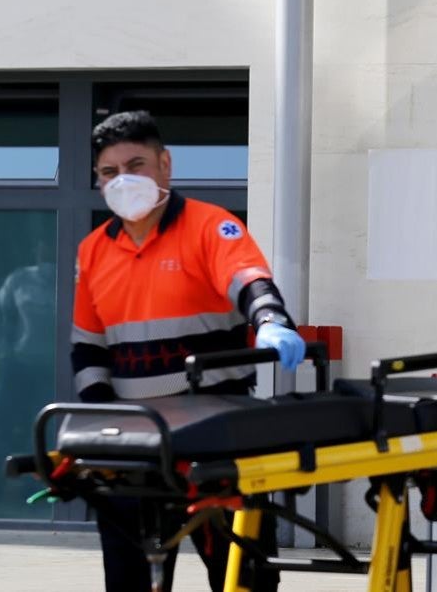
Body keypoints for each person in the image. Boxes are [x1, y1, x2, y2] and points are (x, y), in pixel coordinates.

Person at [71, 110, 306, 592]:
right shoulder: (93, 250)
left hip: (216, 438)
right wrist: (101, 426)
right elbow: (88, 347)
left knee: (244, 579)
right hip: (138, 447)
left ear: (164, 164)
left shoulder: (209, 226)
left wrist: (270, 320)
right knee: (130, 578)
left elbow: (248, 279)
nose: (123, 180)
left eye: (135, 165)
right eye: (109, 173)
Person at [0, 239, 56, 499]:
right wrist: (4, 352)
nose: (45, 252)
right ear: (36, 250)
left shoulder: (70, 283)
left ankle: (35, 485)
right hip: (18, 366)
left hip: (51, 370)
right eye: (42, 247)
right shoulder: (20, 280)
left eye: (51, 249)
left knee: (40, 428)